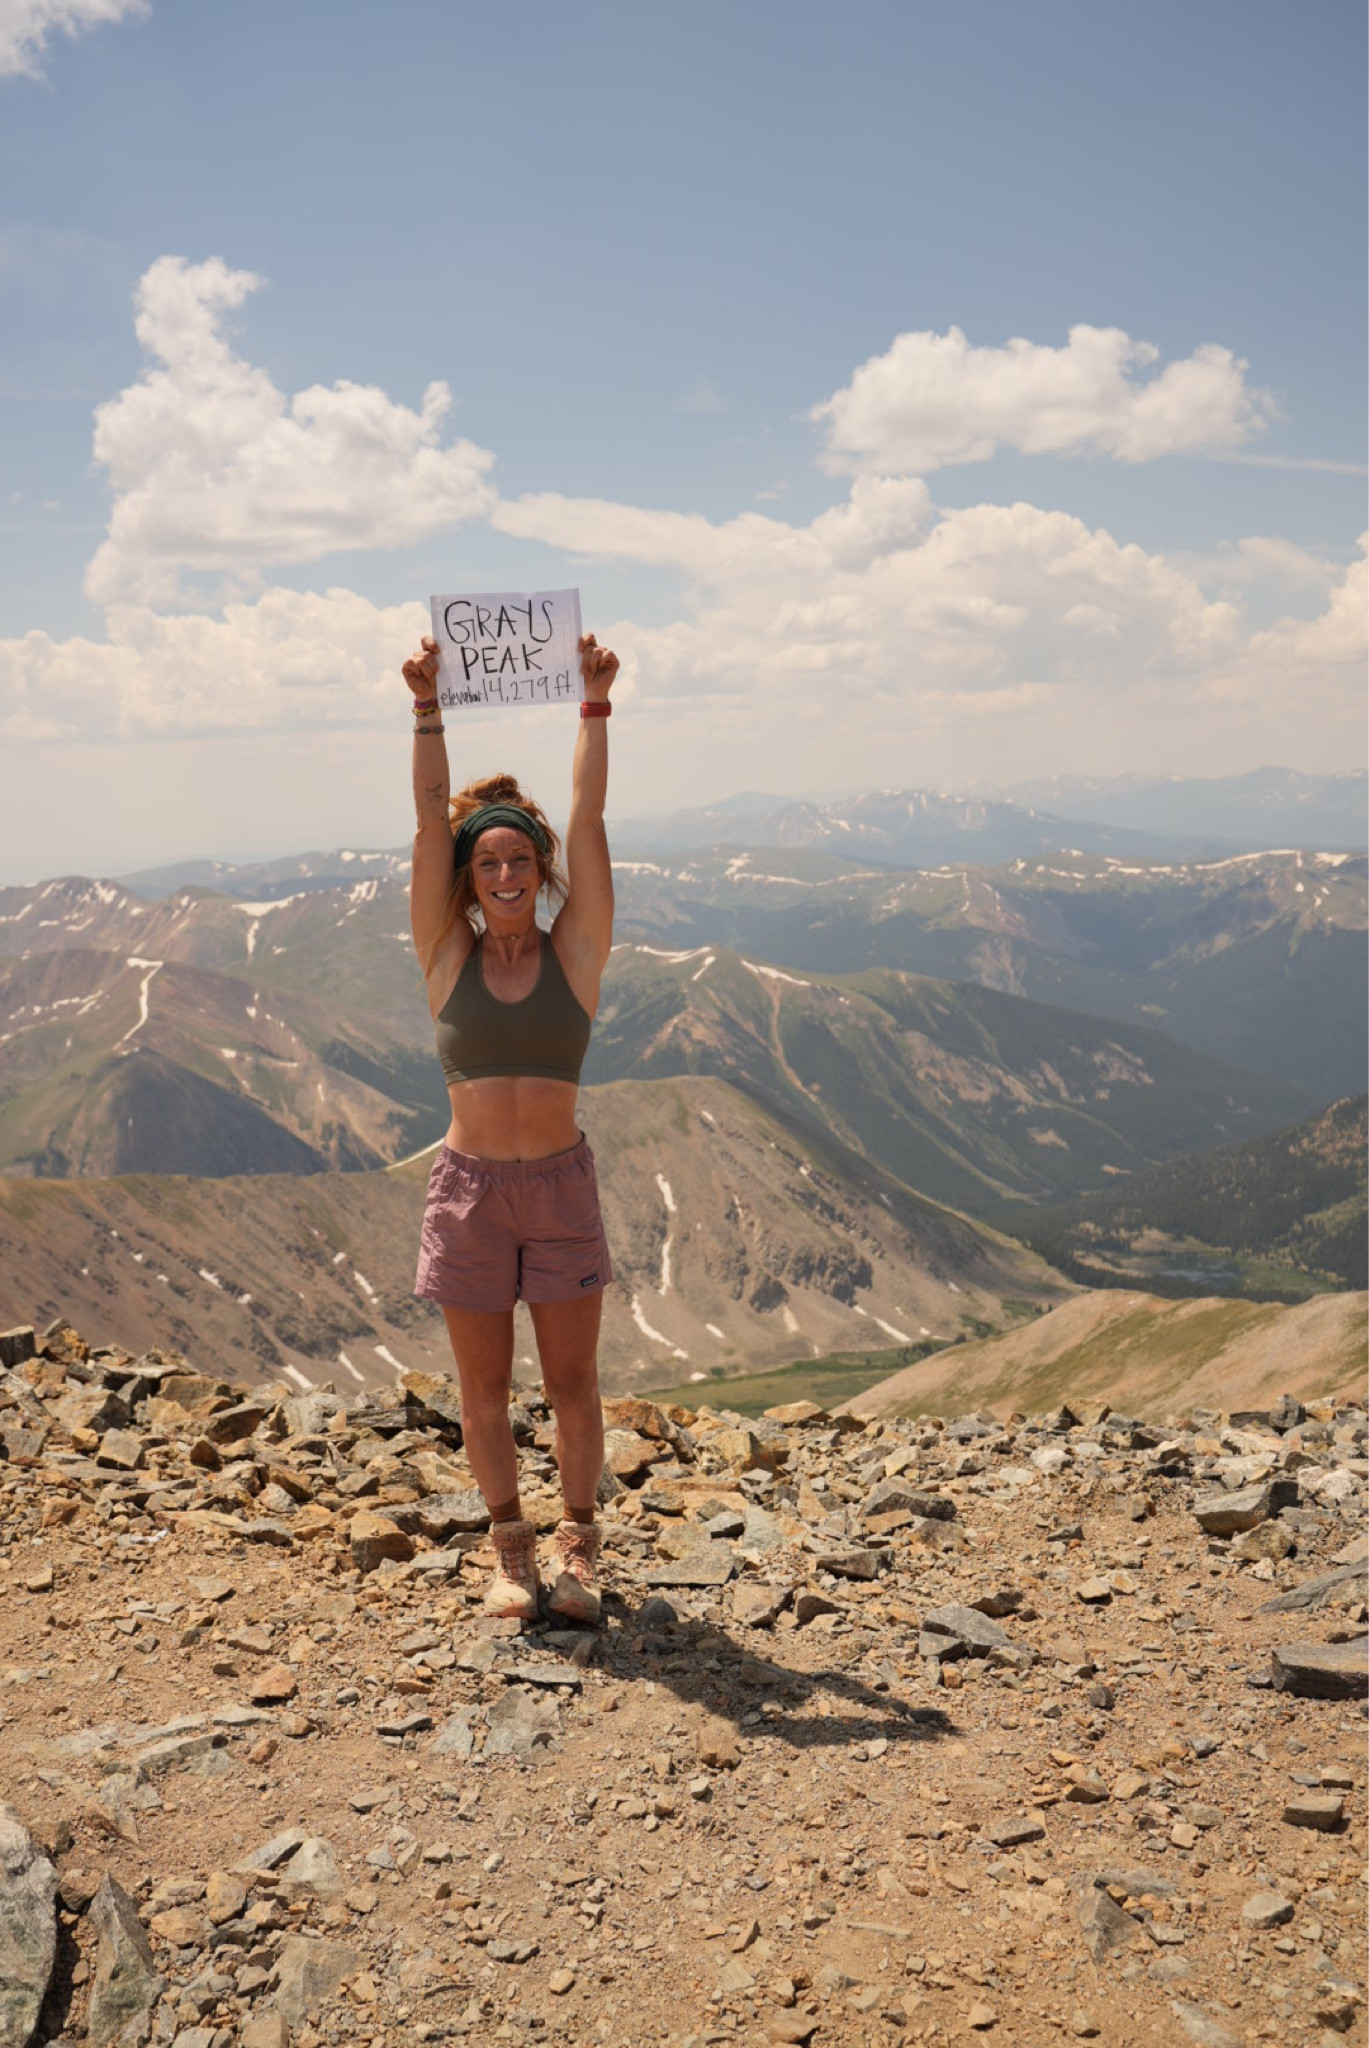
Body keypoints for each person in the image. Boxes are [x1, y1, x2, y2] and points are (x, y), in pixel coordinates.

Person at [401, 626, 619, 1624]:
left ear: (537, 866)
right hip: (471, 1189)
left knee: (573, 1382)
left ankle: (577, 1550)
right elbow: (420, 827)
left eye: (517, 857)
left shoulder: (577, 949)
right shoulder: (443, 951)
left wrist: (594, 702)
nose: (502, 874)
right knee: (480, 1389)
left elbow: (589, 821)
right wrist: (425, 705)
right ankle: (510, 1556)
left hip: (558, 1183)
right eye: (484, 861)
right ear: (468, 874)